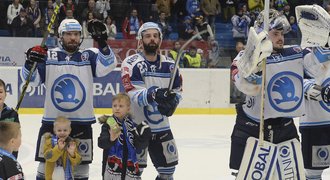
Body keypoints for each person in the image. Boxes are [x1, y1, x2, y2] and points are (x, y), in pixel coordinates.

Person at [229, 9, 330, 176]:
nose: (280, 38)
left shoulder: (295, 53)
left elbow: (318, 68)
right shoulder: (243, 57)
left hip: (285, 130)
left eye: (281, 34)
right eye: (275, 33)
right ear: (262, 33)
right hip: (252, 130)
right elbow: (243, 85)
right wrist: (255, 65)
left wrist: (324, 41)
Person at [21, 18, 117, 179]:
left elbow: (109, 65)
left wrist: (102, 42)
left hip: (82, 122)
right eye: (68, 34)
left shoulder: (89, 55)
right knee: (45, 168)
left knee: (80, 169)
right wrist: (29, 62)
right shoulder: (48, 55)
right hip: (52, 122)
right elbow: (31, 80)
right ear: (60, 36)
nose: (73, 38)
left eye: (76, 34)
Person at [121, 22, 183, 180]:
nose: (152, 39)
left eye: (155, 36)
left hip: (161, 127)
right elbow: (134, 94)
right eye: (148, 36)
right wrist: (155, 94)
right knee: (133, 173)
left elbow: (178, 90)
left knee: (168, 173)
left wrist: (173, 102)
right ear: (140, 40)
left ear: (160, 40)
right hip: (137, 128)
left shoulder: (170, 65)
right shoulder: (131, 62)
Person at [97, 93, 151, 179]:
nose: (117, 108)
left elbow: (139, 147)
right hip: (111, 168)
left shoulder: (132, 126)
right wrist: (111, 139)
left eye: (121, 106)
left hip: (129, 169)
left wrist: (144, 138)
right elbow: (101, 143)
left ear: (128, 108)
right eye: (114, 106)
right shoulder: (109, 123)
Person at [299, 47, 330, 178]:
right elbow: (294, 80)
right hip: (315, 125)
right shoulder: (303, 55)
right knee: (313, 174)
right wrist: (313, 89)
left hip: (317, 124)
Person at [0, 79, 20, 158]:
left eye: (0, 92)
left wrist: (13, 159)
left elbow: (16, 140)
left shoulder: (12, 115)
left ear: (5, 94)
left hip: (7, 159)